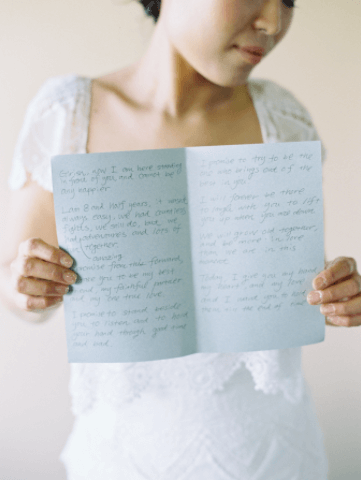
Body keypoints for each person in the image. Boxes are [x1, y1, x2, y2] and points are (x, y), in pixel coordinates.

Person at [0, 0, 360, 478]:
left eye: (290, 0)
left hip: (273, 454)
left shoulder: (283, 118)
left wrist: (339, 296)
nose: (273, 23)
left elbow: (301, 286)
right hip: (123, 457)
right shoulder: (68, 112)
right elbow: (18, 287)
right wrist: (27, 285)